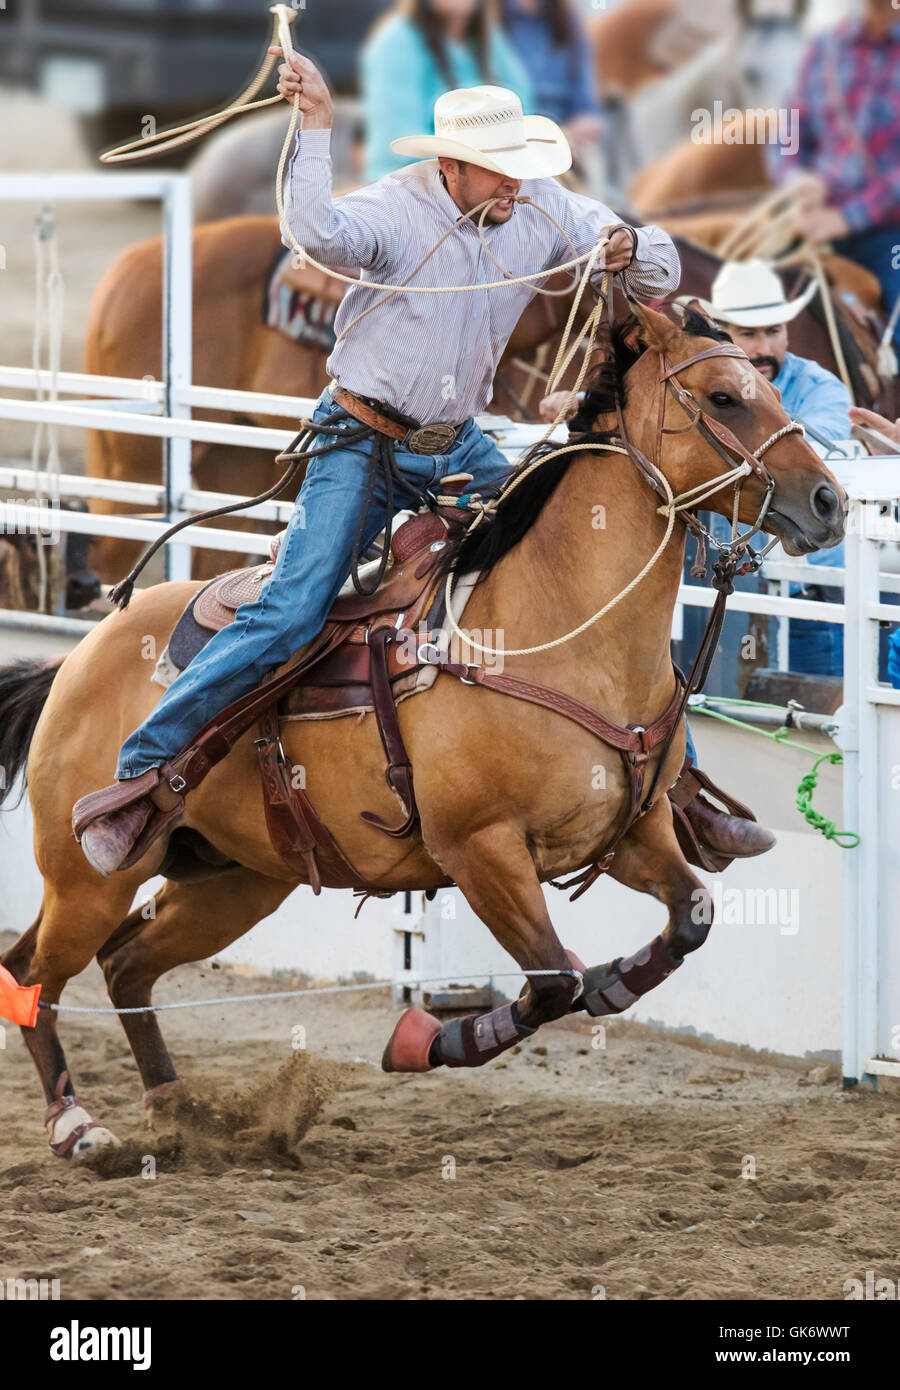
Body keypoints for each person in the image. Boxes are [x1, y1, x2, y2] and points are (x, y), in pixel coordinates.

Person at [77, 62, 771, 875]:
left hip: (454, 444)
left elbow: (655, 267)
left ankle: (679, 791)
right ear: (450, 166)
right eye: (497, 167)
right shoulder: (394, 213)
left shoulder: (539, 203)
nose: (514, 181)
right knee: (294, 607)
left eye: (520, 164)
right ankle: (141, 773)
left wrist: (632, 243)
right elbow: (317, 233)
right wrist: (318, 125)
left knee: (570, 567)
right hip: (361, 442)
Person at [542, 258, 853, 684]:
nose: (762, 347)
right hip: (734, 585)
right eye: (748, 333)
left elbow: (813, 450)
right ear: (722, 331)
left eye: (773, 331)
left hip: (809, 591)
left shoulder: (817, 387)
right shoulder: (712, 380)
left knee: (826, 701)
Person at [777, 0, 900, 352]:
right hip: (812, 225)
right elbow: (791, 128)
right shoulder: (824, 49)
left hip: (890, 236)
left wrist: (846, 219)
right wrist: (794, 180)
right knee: (741, 298)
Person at [361, 0, 532, 182]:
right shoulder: (395, 41)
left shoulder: (489, 38)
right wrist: (481, 166)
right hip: (416, 181)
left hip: (491, 174)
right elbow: (400, 137)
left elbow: (522, 107)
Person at [498, 0, 603, 158]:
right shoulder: (493, 21)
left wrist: (568, 135)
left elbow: (589, 111)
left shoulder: (567, 22)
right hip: (512, 145)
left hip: (566, 143)